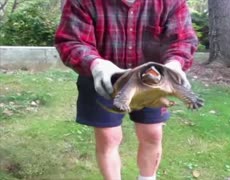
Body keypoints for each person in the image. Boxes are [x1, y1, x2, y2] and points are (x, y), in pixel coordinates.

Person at [54, 0, 198, 179]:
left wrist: (175, 64)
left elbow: (182, 40)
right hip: (103, 76)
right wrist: (95, 63)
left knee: (152, 134)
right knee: (108, 137)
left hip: (153, 78)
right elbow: (71, 40)